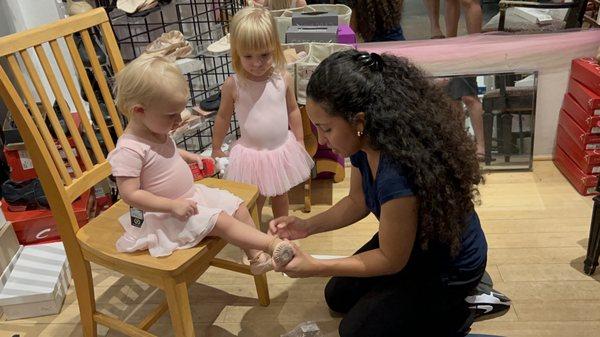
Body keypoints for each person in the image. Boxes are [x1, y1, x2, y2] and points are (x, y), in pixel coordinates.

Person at [269, 50, 488, 336]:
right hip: (408, 244)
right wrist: (307, 226)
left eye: (326, 129)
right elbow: (356, 201)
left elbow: (390, 259)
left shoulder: (396, 172)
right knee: (337, 296)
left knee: (354, 330)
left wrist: (315, 266)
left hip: (446, 263)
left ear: (359, 122)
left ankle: (461, 307)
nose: (322, 140)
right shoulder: (364, 143)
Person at [107, 55, 294, 274]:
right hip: (165, 215)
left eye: (179, 112)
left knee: (236, 205)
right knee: (222, 221)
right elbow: (130, 195)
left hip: (189, 198)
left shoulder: (155, 130)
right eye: (171, 115)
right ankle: (271, 245)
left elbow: (166, 152)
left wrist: (188, 156)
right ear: (139, 111)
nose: (179, 120)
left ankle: (255, 256)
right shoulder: (129, 149)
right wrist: (171, 206)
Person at [211, 7, 313, 223]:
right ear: (236, 52)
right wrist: (216, 147)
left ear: (275, 48)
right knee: (253, 197)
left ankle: (282, 229)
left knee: (280, 193)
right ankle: (252, 238)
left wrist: (300, 139)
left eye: (264, 55)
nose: (256, 63)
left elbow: (293, 110)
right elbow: (222, 117)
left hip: (280, 150)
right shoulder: (234, 85)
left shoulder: (282, 78)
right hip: (251, 155)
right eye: (248, 56)